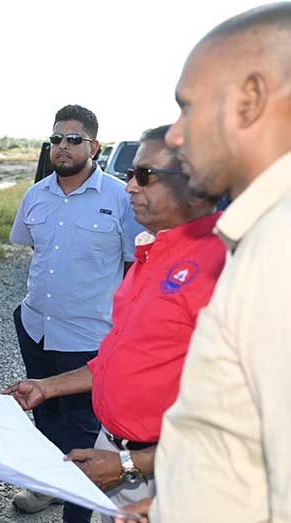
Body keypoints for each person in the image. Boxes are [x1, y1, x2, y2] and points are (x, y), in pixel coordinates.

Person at [116, 4, 291, 522]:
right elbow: (244, 442)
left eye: (187, 107)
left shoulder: (280, 249)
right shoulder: (261, 235)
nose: (174, 134)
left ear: (250, 99)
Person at [4, 125, 224, 521]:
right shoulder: (152, 252)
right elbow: (117, 358)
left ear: (196, 184)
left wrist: (131, 466)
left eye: (145, 176)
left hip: (172, 470)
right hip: (120, 450)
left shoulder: (225, 270)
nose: (129, 188)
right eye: (129, 175)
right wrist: (46, 387)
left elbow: (241, 421)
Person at [8, 104, 140, 523]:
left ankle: (77, 511)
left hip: (89, 339)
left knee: (84, 434)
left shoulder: (120, 198)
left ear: (94, 146)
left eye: (73, 139)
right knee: (45, 418)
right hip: (37, 329)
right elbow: (33, 249)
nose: (62, 147)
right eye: (56, 139)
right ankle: (49, 486)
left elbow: (135, 265)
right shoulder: (36, 195)